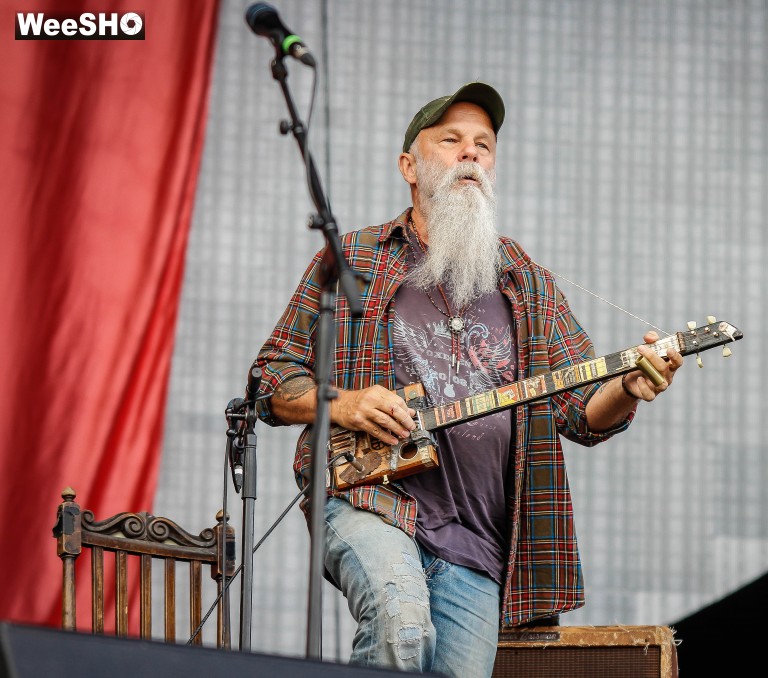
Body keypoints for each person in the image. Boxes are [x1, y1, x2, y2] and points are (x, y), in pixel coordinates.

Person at [253, 82, 683, 678]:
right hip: (370, 499)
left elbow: (583, 412)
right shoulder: (354, 260)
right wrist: (345, 404)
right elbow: (270, 377)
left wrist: (630, 385)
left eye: (484, 144)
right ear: (409, 165)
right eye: (450, 140)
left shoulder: (525, 280)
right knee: (401, 624)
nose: (470, 154)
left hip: (480, 538)